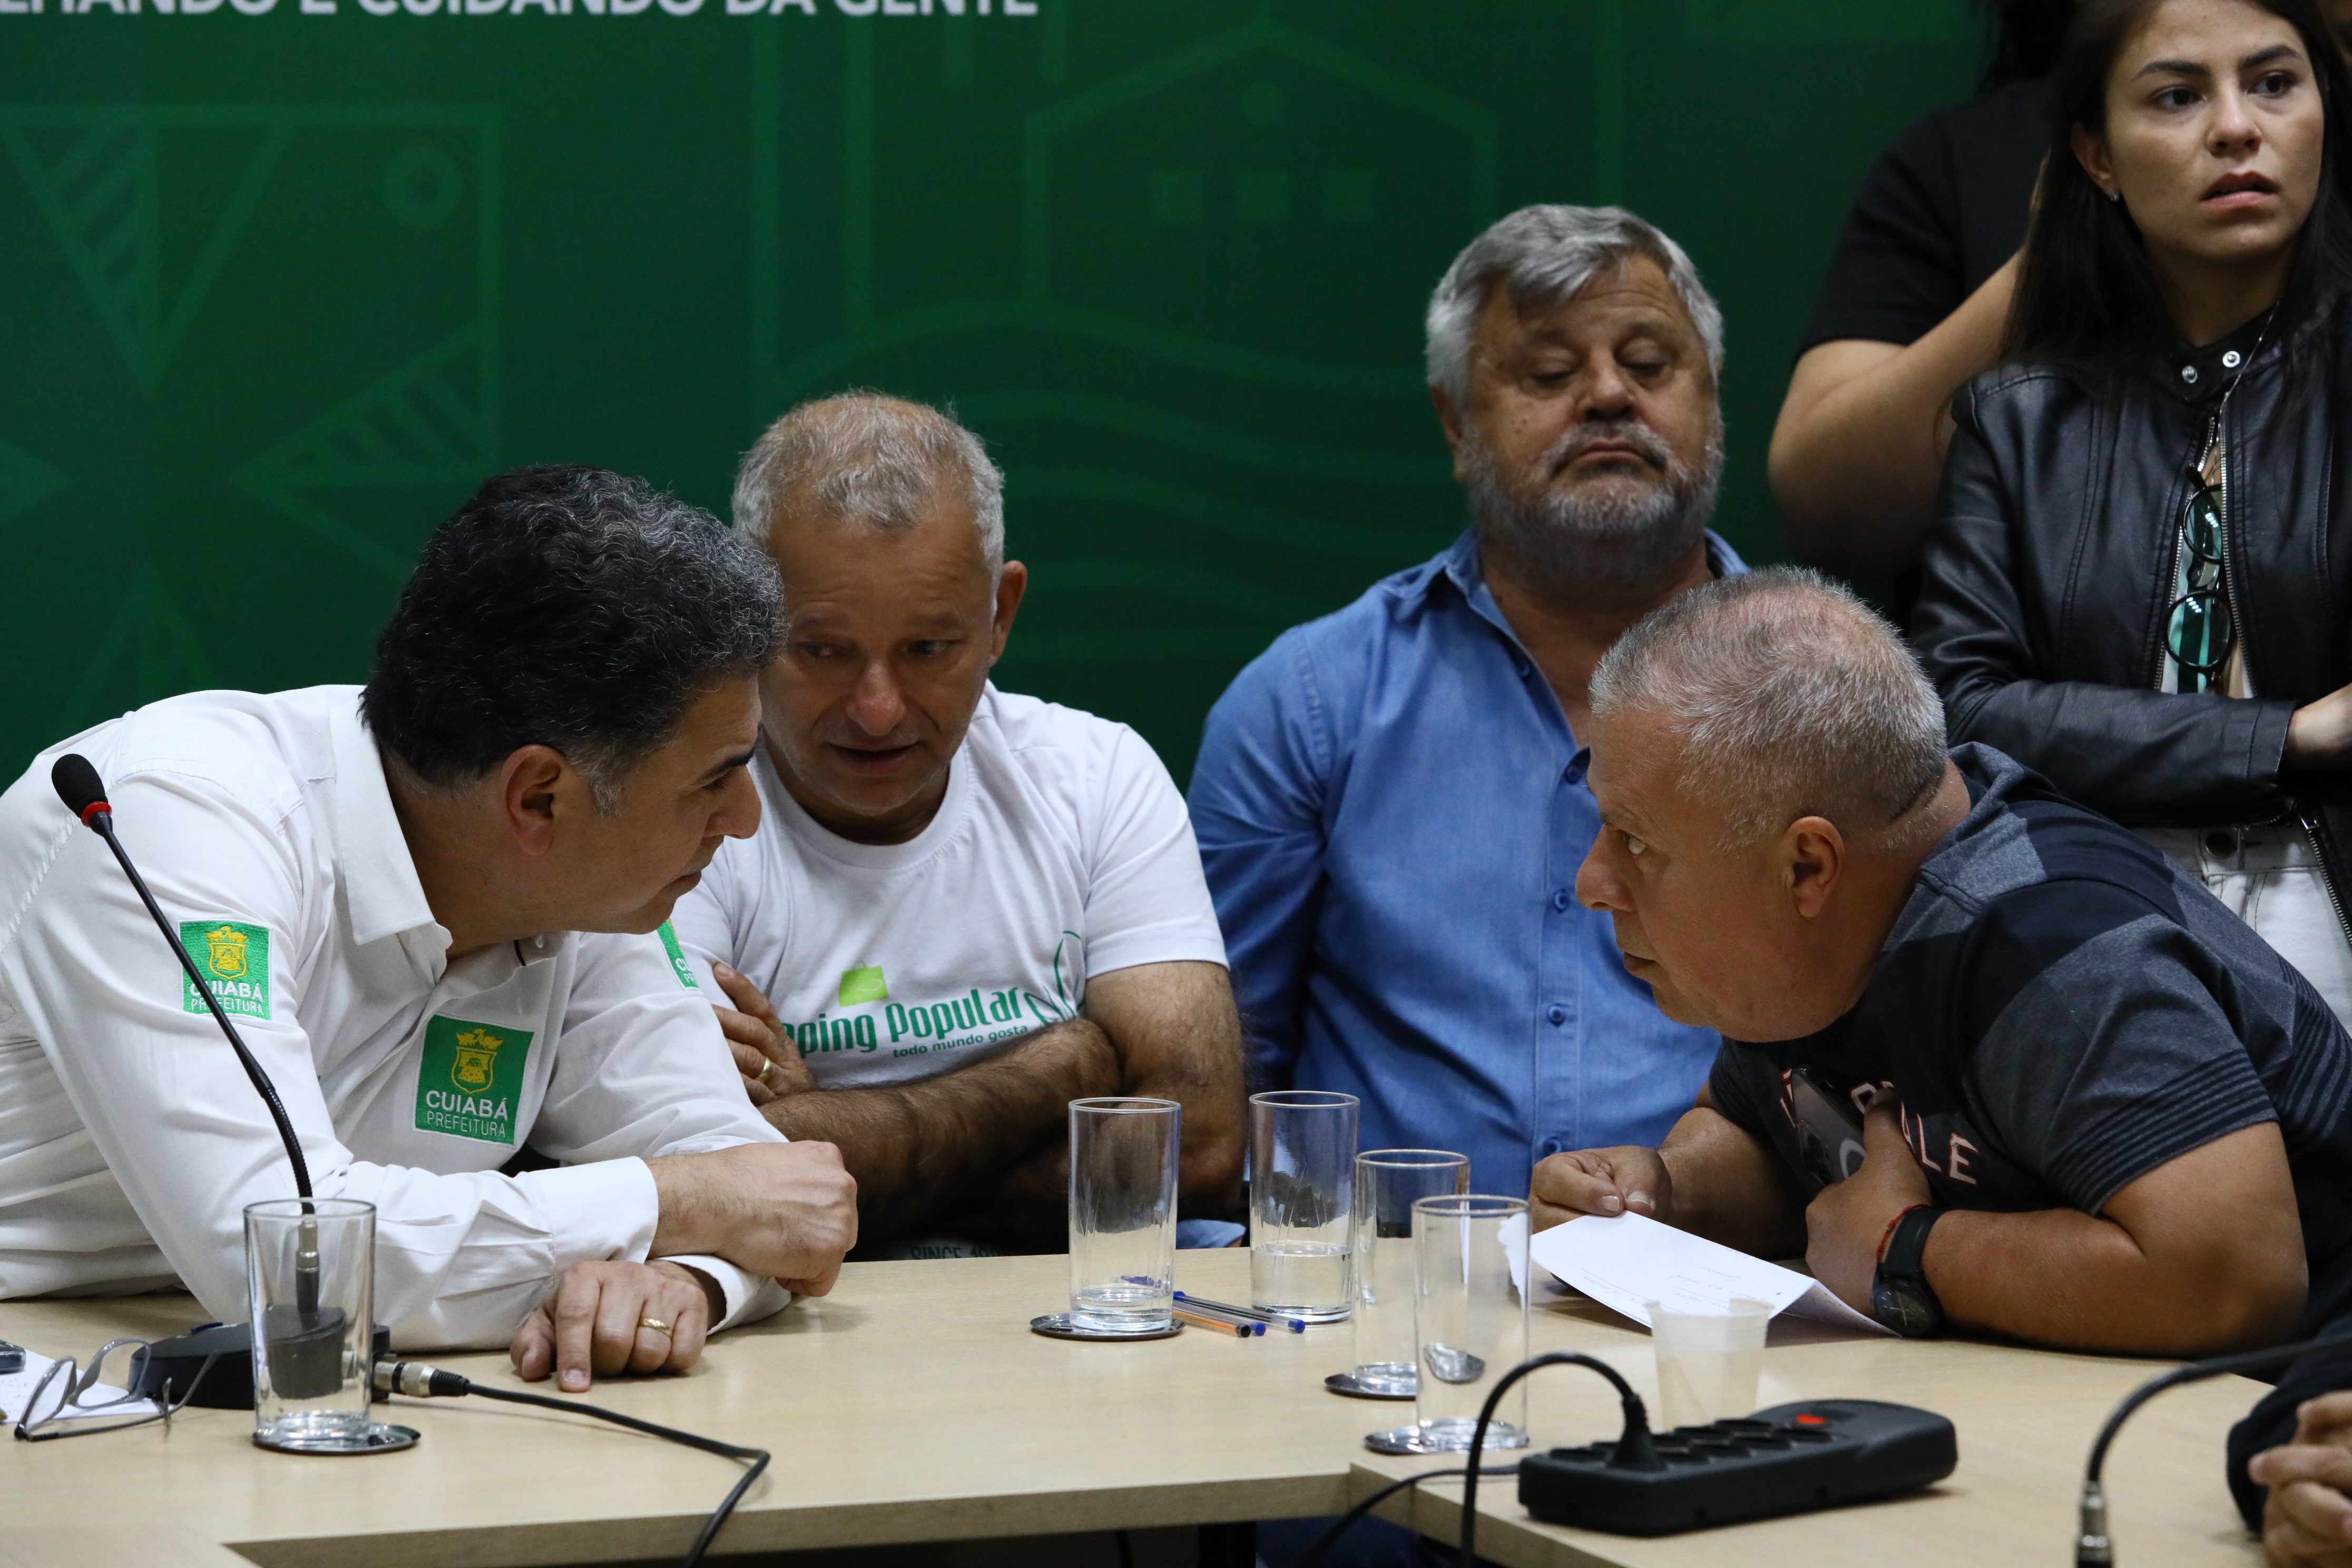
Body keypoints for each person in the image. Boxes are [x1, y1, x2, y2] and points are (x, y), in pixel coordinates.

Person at [0, 466, 858, 1391]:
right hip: (41, 1370)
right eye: (714, 779)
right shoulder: (173, 820)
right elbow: (287, 1266)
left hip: (275, 1386)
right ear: (538, 797)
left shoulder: (590, 887)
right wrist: (677, 1201)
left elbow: (769, 1198)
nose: (745, 820)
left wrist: (682, 1279)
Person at [1536, 569, 2352, 1369]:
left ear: (1808, 867)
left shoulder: (2057, 949)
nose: (1593, 882)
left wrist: (1906, 1251)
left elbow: (2235, 1278)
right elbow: (1770, 1143)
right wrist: (1660, 1194)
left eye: (1636, 842)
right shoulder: (1813, 928)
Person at [1189, 205, 1742, 1212]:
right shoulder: (1311, 701)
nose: (1607, 394)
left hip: (1738, 1271)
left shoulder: (1826, 697)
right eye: (1548, 373)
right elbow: (1221, 1075)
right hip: (1384, 1284)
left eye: (1647, 363)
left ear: (1711, 399)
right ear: (1453, 423)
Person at [668, 393, 1243, 1257]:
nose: (876, 710)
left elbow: (1195, 1148)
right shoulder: (678, 812)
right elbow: (701, 1173)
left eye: (928, 649)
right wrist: (1064, 1066)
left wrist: (843, 1146)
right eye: (821, 650)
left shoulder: (1098, 778)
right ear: (744, 615)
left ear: (999, 616)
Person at [1913, 0, 2352, 1030]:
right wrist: (2286, 734)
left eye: (2273, 84)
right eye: (2177, 96)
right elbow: (1956, 713)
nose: (2236, 127)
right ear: (2096, 156)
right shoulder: (2015, 419)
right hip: (2089, 903)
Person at [1769, 0, 2070, 582]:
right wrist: (2046, 265)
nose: (2231, 128)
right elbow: (1828, 515)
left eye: (2261, 86)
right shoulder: (1958, 157)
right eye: (2174, 99)